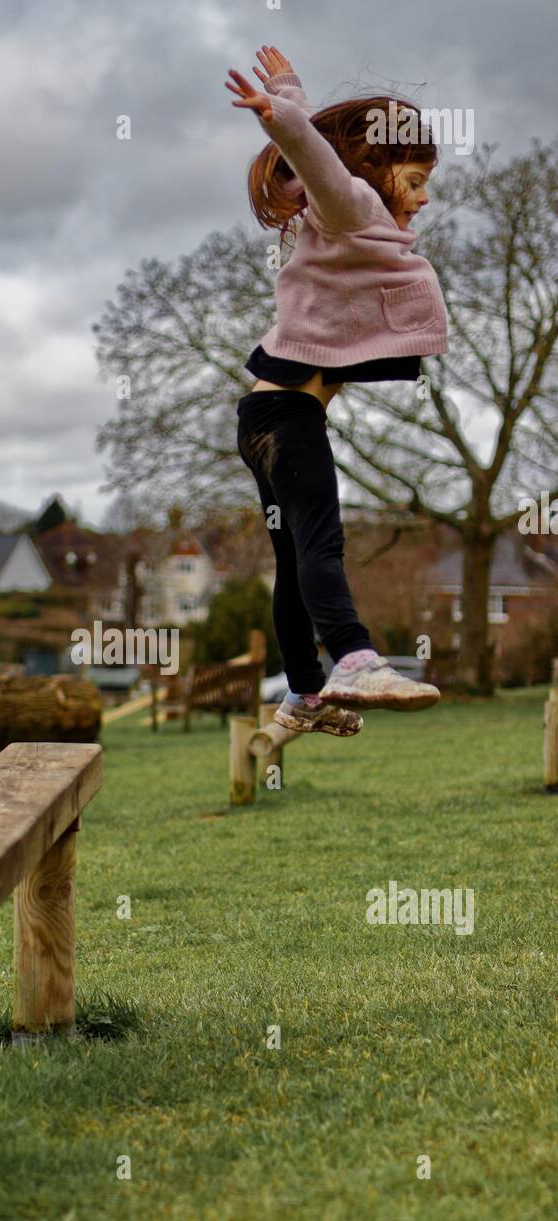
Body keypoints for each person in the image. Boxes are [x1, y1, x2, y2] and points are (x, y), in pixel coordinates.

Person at [225, 47, 444, 735]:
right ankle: (354, 658)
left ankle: (302, 696)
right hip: (288, 419)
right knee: (320, 542)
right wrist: (282, 111)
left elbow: (318, 154)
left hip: (263, 418)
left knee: (293, 561)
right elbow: (317, 157)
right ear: (378, 173)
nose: (425, 196)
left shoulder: (347, 224)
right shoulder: (349, 205)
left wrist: (289, 98)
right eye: (415, 180)